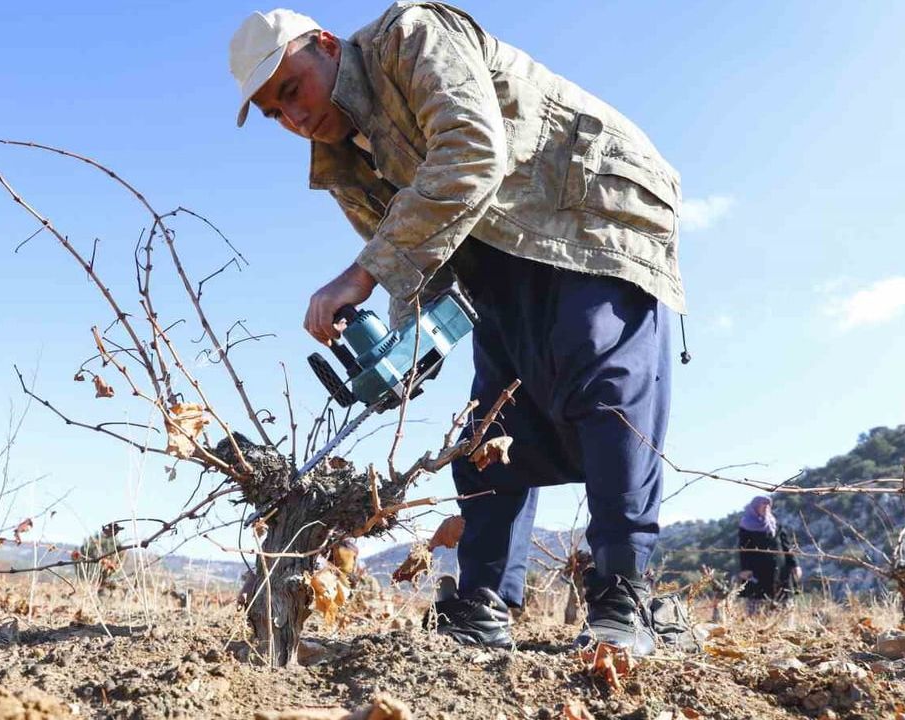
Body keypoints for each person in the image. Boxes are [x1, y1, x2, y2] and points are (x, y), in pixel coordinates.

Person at [229, 2, 683, 655]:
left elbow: (472, 148)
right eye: (276, 113)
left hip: (588, 207)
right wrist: (406, 346)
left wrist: (358, 277)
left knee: (600, 379)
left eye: (292, 90)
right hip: (496, 252)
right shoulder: (341, 163)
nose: (294, 117)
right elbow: (420, 263)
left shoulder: (409, 36)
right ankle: (483, 603)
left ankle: (624, 596)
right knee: (489, 427)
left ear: (326, 45)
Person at [736, 496, 801, 606]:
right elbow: (744, 549)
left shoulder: (776, 525)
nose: (766, 507)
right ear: (755, 507)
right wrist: (745, 569)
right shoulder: (746, 526)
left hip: (781, 572)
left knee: (784, 606)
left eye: (768, 504)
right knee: (758, 608)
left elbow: (786, 546)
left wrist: (795, 565)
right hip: (758, 573)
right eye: (763, 504)